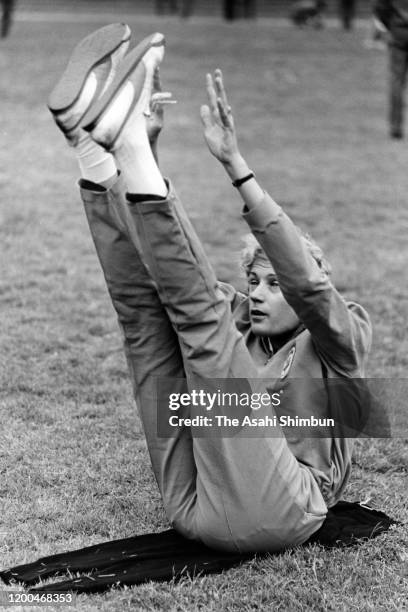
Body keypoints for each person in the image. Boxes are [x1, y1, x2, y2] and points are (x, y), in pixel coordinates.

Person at [48, 24, 372, 553]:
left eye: (275, 283)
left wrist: (236, 166)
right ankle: (94, 150)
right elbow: (169, 279)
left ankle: (124, 147)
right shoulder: (243, 325)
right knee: (146, 323)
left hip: (285, 508)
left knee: (204, 328)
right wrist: (147, 150)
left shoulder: (340, 343)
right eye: (254, 280)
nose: (261, 292)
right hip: (193, 506)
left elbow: (309, 288)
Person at [374, 0, 408, 138]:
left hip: (398, 35)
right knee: (397, 84)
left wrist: (391, 26)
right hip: (398, 33)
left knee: (397, 83)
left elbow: (381, 7)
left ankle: (396, 126)